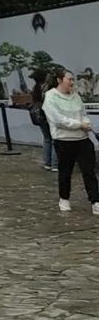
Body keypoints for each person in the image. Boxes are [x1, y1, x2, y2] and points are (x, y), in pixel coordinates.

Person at [42, 70, 99, 215]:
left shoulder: (75, 96)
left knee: (89, 171)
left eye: (73, 79)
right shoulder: (50, 97)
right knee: (65, 172)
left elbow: (83, 114)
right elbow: (58, 120)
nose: (72, 83)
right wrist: (78, 124)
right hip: (64, 140)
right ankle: (64, 198)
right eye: (70, 79)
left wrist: (86, 123)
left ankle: (95, 200)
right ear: (60, 80)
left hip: (82, 139)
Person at [29, 74, 55, 172]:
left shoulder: (36, 88)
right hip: (47, 116)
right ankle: (54, 163)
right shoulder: (48, 88)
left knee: (47, 139)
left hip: (39, 116)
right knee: (53, 140)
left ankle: (47, 162)